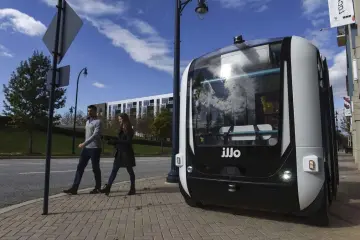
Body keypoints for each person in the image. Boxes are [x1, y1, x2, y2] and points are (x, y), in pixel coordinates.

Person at [63, 105, 103, 195]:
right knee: (80, 167)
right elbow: (87, 135)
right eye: (88, 111)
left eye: (91, 111)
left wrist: (83, 144)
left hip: (95, 148)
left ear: (95, 111)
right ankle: (74, 188)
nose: (89, 112)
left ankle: (97, 187)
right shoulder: (87, 121)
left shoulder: (98, 122)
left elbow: (95, 135)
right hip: (86, 149)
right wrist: (85, 145)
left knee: (95, 168)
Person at [100, 113, 136, 196]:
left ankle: (133, 188)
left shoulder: (129, 130)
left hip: (126, 153)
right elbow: (119, 140)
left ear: (124, 119)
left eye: (120, 119)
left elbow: (128, 142)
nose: (119, 120)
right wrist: (111, 141)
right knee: (114, 170)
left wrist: (116, 141)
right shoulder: (121, 128)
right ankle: (108, 188)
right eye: (119, 119)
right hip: (119, 152)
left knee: (130, 171)